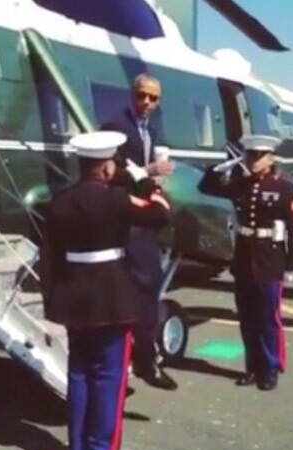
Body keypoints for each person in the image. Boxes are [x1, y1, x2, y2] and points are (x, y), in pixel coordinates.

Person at [40, 130, 171, 450]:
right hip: (112, 299)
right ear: (107, 168)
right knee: (108, 381)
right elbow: (160, 215)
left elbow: (50, 256)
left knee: (80, 376)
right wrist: (149, 184)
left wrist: (53, 302)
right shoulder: (115, 200)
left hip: (73, 298)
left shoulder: (59, 202)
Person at [199, 135, 293, 391]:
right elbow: (207, 187)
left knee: (268, 319)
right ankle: (252, 367)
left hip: (270, 260)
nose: (253, 161)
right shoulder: (240, 184)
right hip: (244, 260)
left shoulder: (284, 188)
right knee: (247, 318)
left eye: (258, 156)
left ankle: (270, 368)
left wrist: (292, 263)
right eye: (249, 155)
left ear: (270, 159)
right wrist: (218, 168)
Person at [102, 74, 177, 391]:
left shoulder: (151, 129)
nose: (146, 102)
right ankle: (128, 366)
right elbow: (107, 170)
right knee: (124, 296)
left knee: (148, 292)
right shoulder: (114, 126)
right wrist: (147, 173)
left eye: (153, 98)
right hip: (122, 221)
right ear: (132, 95)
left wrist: (155, 184)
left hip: (143, 219)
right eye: (141, 95)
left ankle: (145, 360)